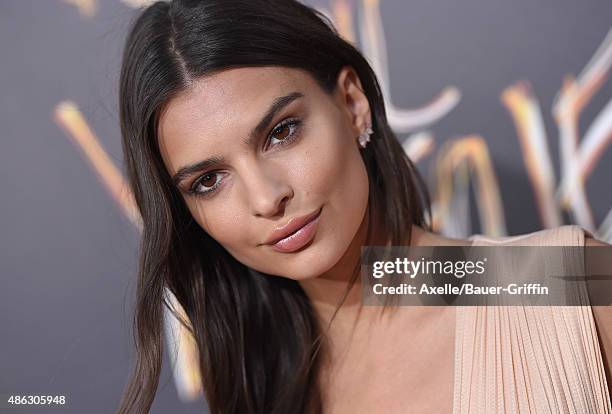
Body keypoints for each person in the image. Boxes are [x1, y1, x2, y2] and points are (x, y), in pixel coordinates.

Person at [116, 1, 612, 413]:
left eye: (281, 132)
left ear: (353, 104)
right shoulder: (259, 388)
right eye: (209, 181)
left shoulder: (571, 283)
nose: (266, 198)